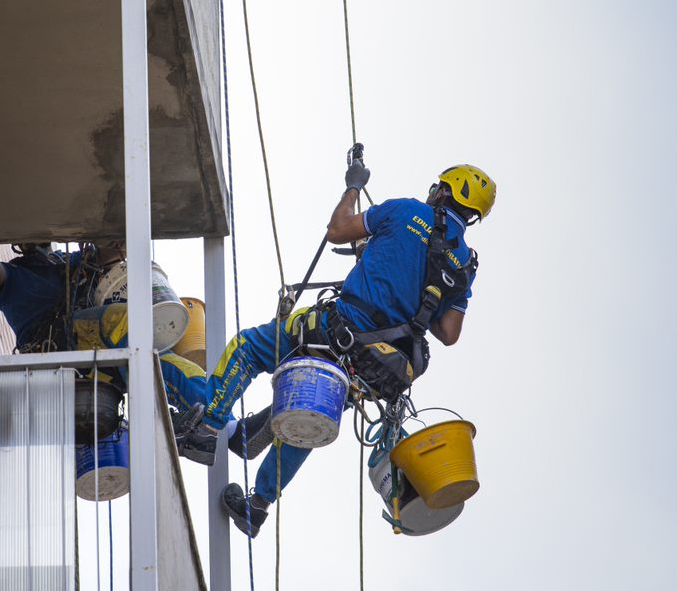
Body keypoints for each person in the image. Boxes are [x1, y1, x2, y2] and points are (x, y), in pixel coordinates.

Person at [178, 152, 496, 537]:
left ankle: (207, 429)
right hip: (379, 367)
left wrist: (353, 186)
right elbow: (449, 333)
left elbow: (337, 229)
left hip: (337, 331)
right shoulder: (465, 264)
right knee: (311, 414)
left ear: (444, 192)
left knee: (249, 348)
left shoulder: (407, 211)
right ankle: (256, 506)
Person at [0, 241, 273, 457]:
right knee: (124, 321)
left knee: (163, 362)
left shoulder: (66, 263)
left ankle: (229, 428)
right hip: (59, 353)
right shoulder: (15, 278)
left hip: (101, 362)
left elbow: (109, 252)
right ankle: (213, 430)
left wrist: (110, 229)